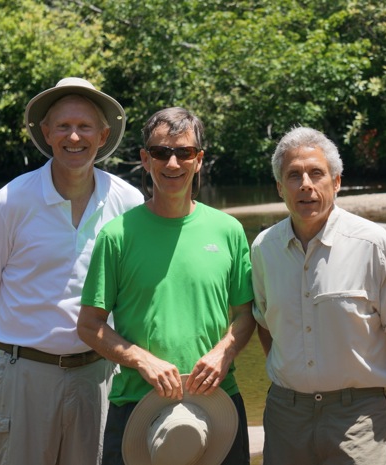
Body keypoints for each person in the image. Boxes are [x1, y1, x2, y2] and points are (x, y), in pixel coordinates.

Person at [0, 77, 144, 465]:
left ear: (103, 134)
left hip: (98, 375)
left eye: (84, 127)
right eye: (63, 126)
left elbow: (133, 290)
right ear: (46, 133)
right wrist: (26, 336)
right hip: (24, 376)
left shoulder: (129, 201)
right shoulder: (9, 202)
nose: (74, 137)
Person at [77, 107, 255, 465]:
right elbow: (89, 325)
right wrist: (141, 360)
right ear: (145, 159)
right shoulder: (117, 236)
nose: (172, 163)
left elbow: (245, 315)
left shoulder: (228, 231)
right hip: (136, 405)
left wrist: (224, 353)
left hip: (219, 402)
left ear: (199, 159)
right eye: (161, 152)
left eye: (184, 152)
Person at [251, 127, 386, 465]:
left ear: (335, 182)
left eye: (316, 173)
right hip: (285, 417)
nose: (305, 184)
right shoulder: (264, 249)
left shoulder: (373, 245)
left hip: (359, 419)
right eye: (293, 176)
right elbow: (266, 325)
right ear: (280, 188)